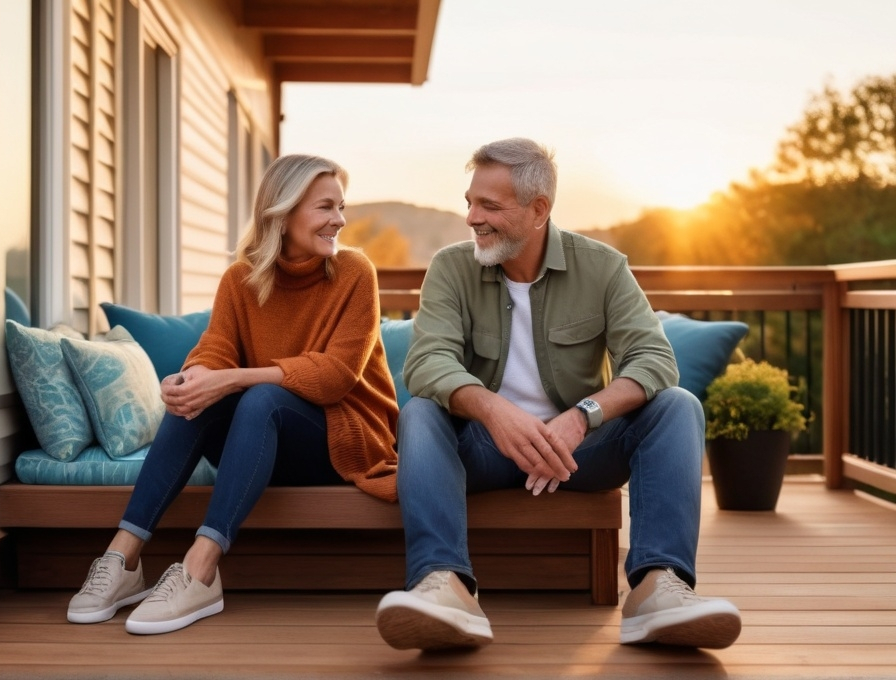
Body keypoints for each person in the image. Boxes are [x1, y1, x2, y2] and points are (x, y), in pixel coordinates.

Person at [374, 138, 742, 652]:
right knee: (421, 415)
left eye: (490, 206)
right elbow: (427, 361)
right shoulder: (450, 268)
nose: (472, 217)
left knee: (678, 405)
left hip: (579, 455)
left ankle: (658, 589)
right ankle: (444, 587)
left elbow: (655, 360)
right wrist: (494, 410)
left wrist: (581, 418)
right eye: (470, 202)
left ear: (538, 209)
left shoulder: (604, 267)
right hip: (485, 450)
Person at [67, 154, 399, 635]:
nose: (340, 220)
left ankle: (200, 569)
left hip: (342, 439)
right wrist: (190, 380)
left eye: (341, 207)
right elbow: (217, 349)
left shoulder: (354, 272)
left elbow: (335, 377)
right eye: (326, 207)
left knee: (257, 397)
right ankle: (123, 557)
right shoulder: (241, 280)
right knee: (203, 395)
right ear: (282, 214)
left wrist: (236, 378)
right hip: (257, 444)